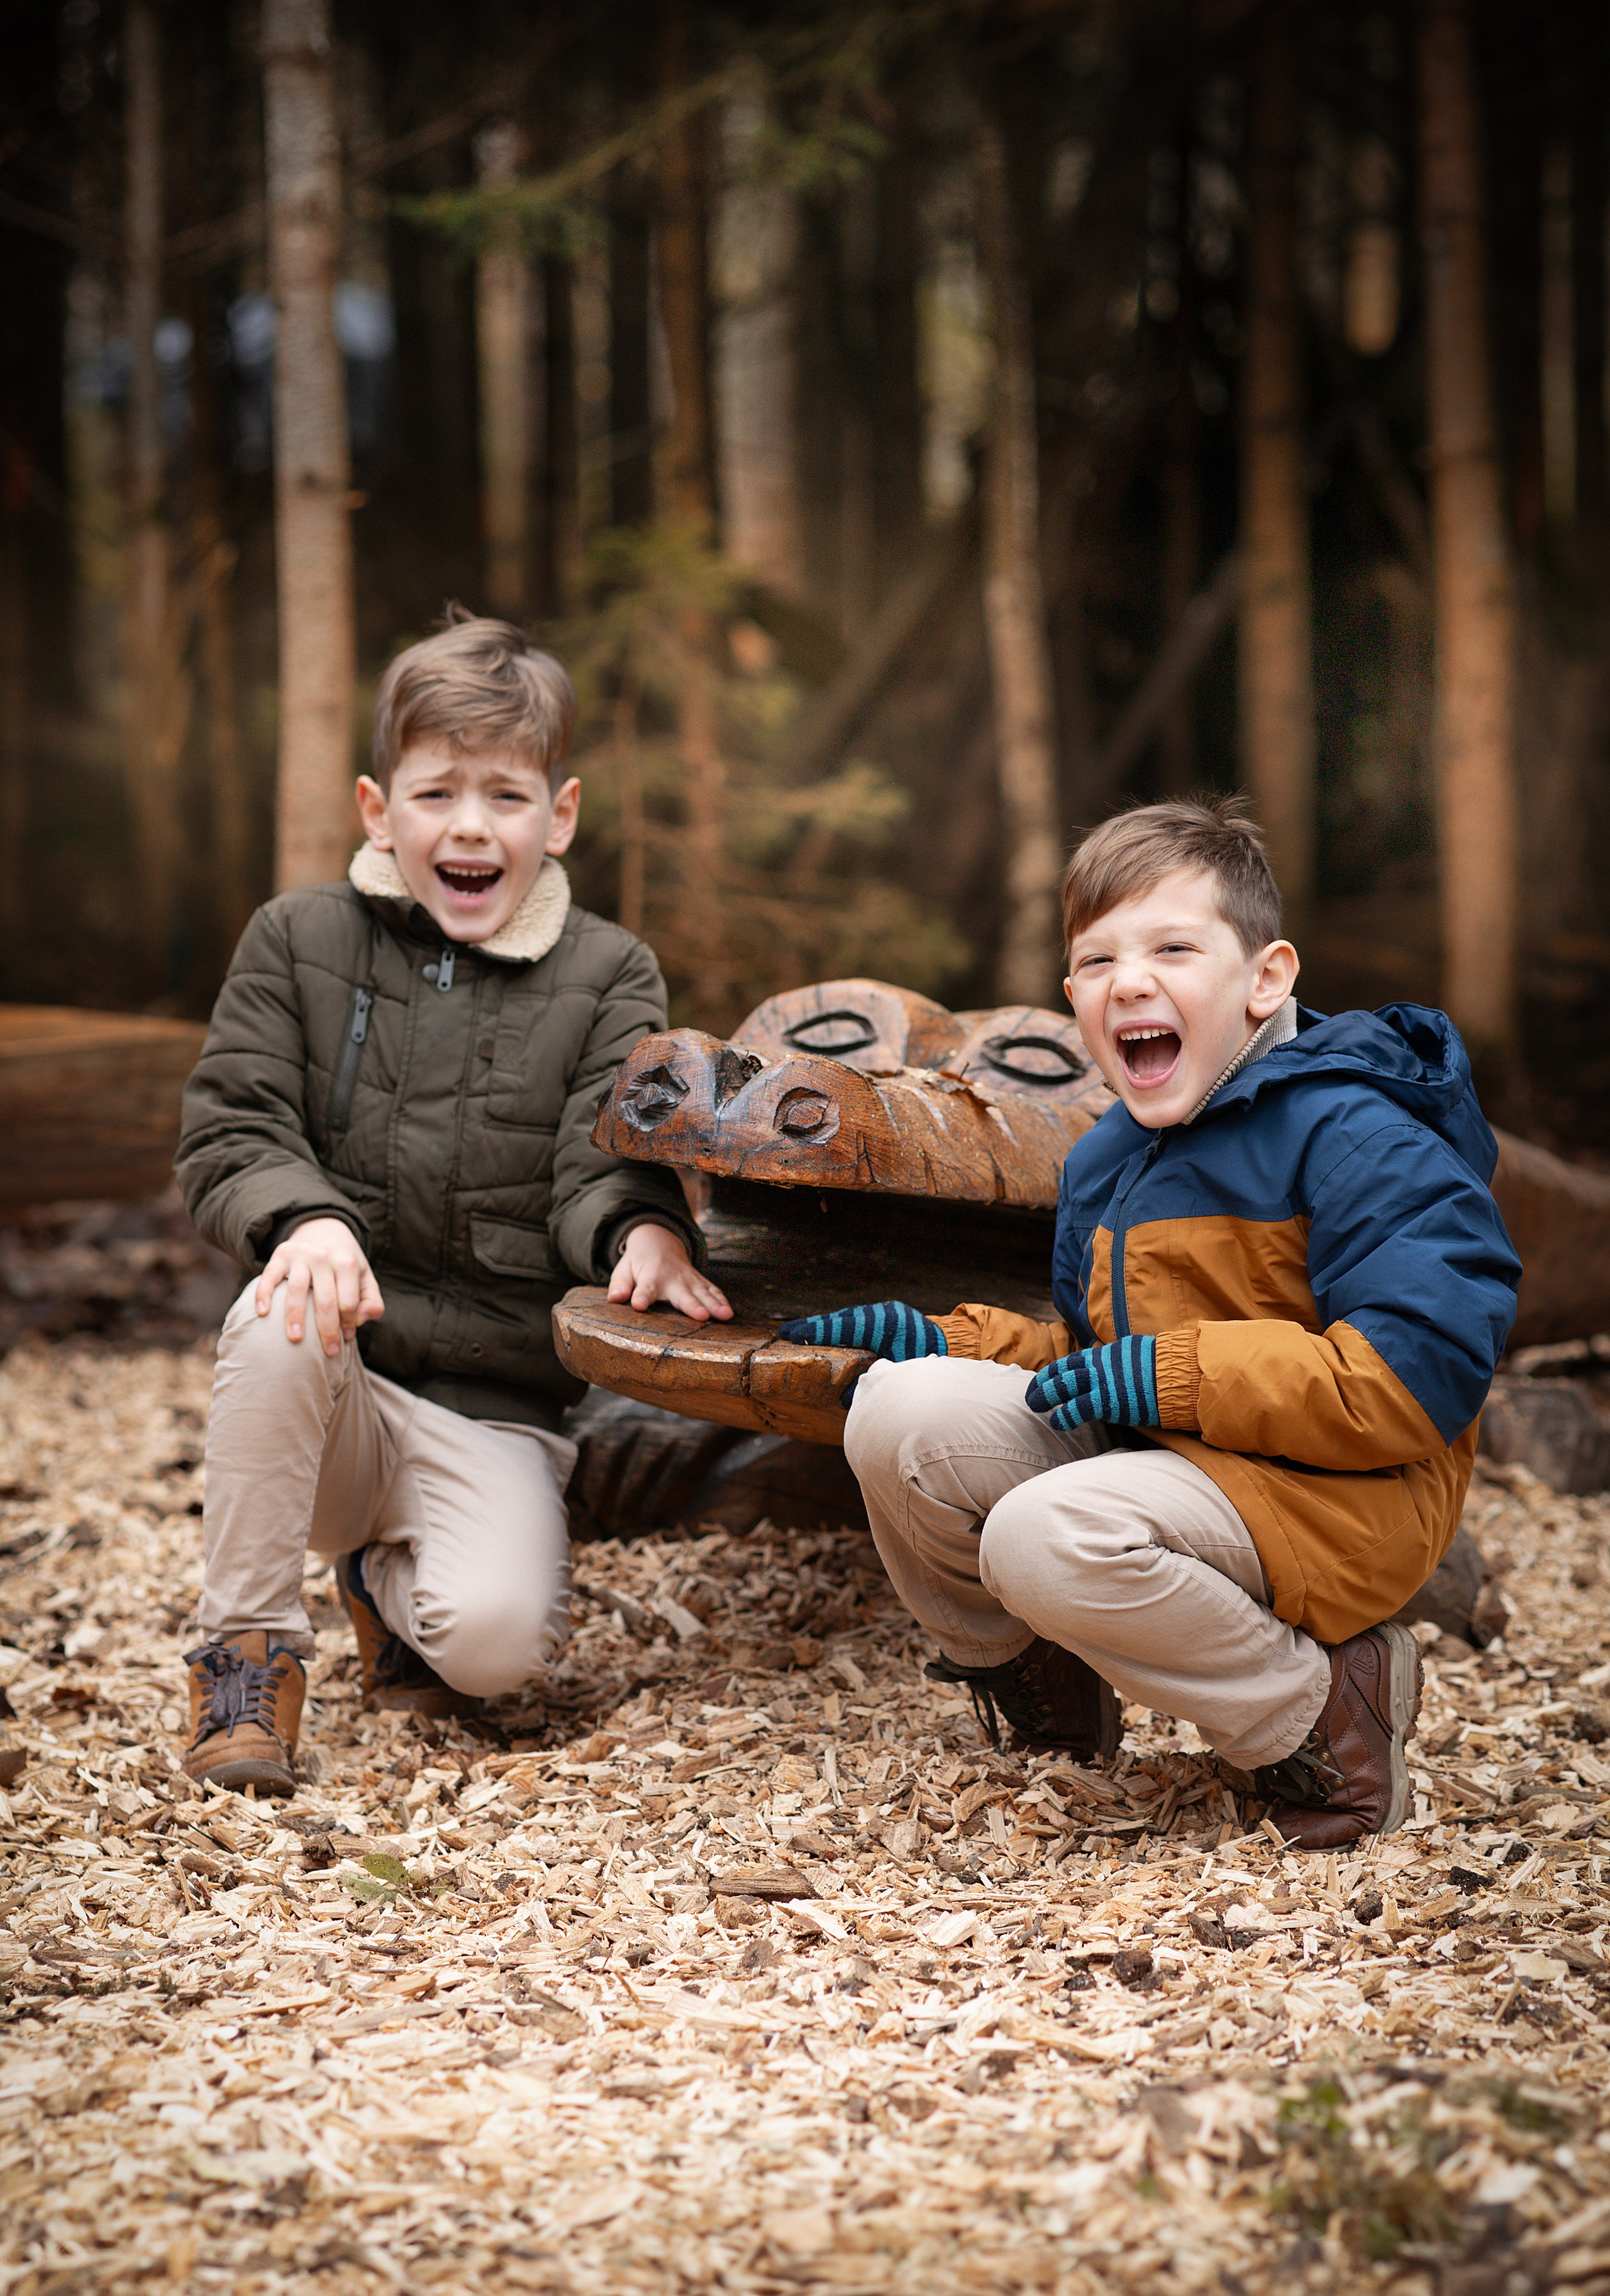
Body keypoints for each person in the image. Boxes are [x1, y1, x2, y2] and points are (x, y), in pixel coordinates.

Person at [781, 799, 1520, 1849]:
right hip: (1172, 1459)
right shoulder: (1108, 1157)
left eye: (1173, 948)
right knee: (899, 1412)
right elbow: (1098, 1361)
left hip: (1343, 1496)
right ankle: (1054, 1694)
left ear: (1266, 979)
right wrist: (949, 1344)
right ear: (1073, 1001)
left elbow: (1415, 1379)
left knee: (1045, 1535)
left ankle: (1323, 1709)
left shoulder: (1361, 1133)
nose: (1130, 981)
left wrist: (1172, 1376)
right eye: (1098, 960)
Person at [174, 611, 731, 1793]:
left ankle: (389, 1591)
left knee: (496, 1648)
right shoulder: (297, 940)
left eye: (505, 797)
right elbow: (233, 1128)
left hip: (495, 1410)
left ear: (559, 816)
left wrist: (642, 1230)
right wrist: (307, 1218)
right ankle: (245, 1660)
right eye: (436, 794)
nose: (471, 826)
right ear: (379, 810)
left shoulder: (609, 972)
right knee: (277, 1314)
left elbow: (606, 1155)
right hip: (333, 1387)